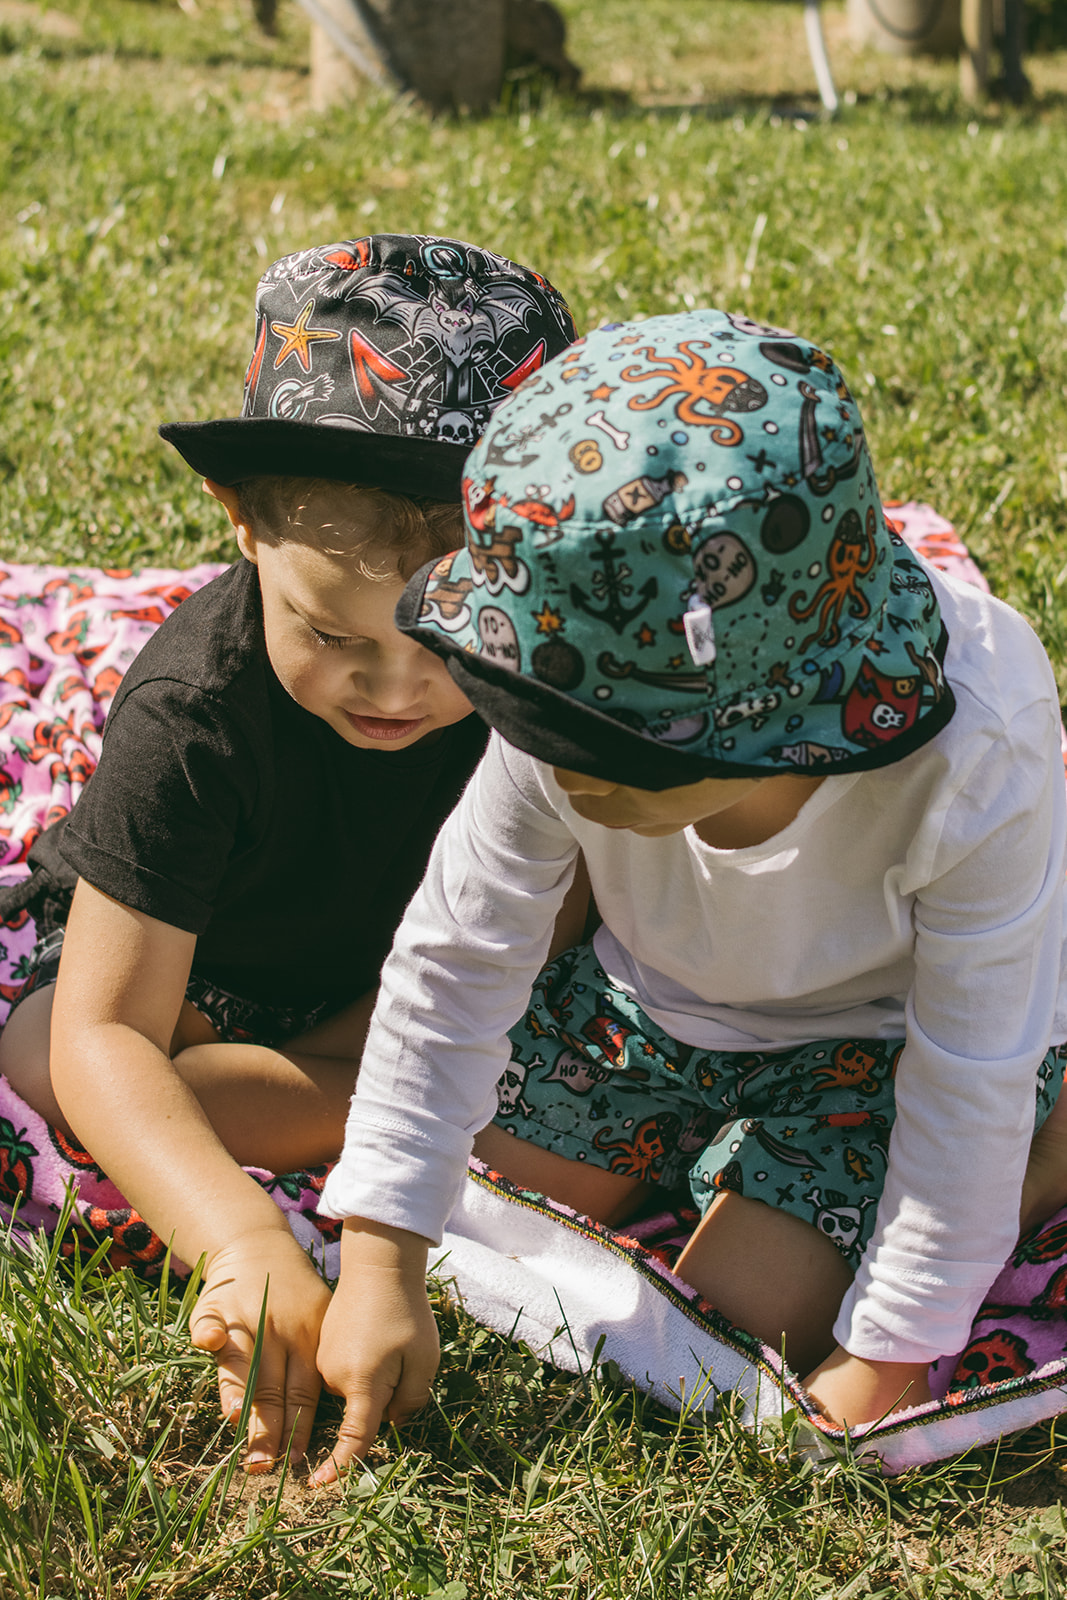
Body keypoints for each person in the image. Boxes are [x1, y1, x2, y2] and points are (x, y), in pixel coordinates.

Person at [311, 308, 1067, 1481]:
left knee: (737, 1322)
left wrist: (898, 1343)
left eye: (603, 750)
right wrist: (378, 1259)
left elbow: (967, 1066)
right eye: (537, 725)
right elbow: (457, 955)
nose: (556, 770)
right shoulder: (563, 680)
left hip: (868, 1047)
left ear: (780, 721)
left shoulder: (977, 749)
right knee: (467, 1209)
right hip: (638, 1010)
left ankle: (1048, 1144)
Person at [0, 232, 578, 1472]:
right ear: (244, 526)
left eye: (447, 640)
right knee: (52, 1065)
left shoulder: (535, 682)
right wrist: (236, 1239)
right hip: (218, 969)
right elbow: (100, 1033)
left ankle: (387, 1094)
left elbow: (571, 895)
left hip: (422, 978)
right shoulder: (195, 713)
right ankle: (393, 1106)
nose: (395, 685)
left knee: (571, 1083)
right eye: (330, 631)